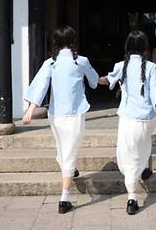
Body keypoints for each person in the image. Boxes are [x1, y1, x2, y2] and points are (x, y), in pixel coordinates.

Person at [22, 26, 99, 214]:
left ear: (55, 42)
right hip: (75, 114)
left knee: (62, 150)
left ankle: (70, 171)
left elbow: (40, 86)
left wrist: (30, 109)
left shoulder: (50, 63)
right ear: (73, 41)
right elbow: (94, 81)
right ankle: (64, 198)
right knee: (69, 153)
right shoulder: (81, 61)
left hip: (55, 115)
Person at [98, 30, 156, 215]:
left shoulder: (121, 66)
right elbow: (155, 94)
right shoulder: (152, 67)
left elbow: (106, 80)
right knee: (143, 148)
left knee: (128, 156)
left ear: (127, 47)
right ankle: (144, 169)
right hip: (147, 119)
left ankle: (132, 197)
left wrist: (90, 77)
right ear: (145, 48)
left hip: (128, 118)